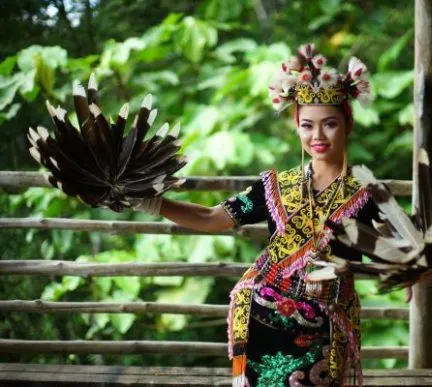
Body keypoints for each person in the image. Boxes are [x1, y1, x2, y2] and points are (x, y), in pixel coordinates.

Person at [134, 43, 374, 387]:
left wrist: (416, 274)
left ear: (347, 125)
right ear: (297, 127)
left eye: (329, 124)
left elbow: (396, 251)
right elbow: (209, 217)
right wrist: (153, 204)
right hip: (261, 317)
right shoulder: (276, 187)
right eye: (307, 125)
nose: (317, 136)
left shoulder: (365, 195)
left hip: (326, 326)